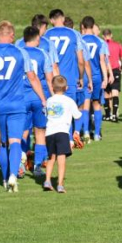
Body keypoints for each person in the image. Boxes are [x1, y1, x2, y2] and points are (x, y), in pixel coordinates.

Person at [0, 21, 46, 192]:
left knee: (0, 142)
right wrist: (43, 99)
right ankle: (14, 175)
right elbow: (32, 77)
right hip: (16, 104)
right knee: (15, 141)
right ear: (13, 36)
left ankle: (6, 177)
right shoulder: (21, 52)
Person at [44, 9, 89, 146]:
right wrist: (81, 77)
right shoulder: (74, 34)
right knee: (70, 109)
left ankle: (57, 139)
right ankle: (71, 137)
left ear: (51, 20)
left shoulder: (46, 35)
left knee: (54, 111)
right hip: (69, 78)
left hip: (52, 78)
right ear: (63, 19)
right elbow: (81, 60)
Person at [20, 26, 54, 176]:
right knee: (40, 132)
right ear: (37, 39)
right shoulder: (43, 54)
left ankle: (19, 165)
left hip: (21, 96)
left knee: (22, 132)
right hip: (39, 97)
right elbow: (49, 77)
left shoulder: (18, 52)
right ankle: (37, 166)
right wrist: (52, 97)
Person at [43, 76, 82, 193]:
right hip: (62, 132)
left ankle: (47, 181)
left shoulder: (49, 100)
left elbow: (45, 113)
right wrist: (77, 131)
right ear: (66, 88)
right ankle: (60, 184)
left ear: (52, 87)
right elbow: (78, 116)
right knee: (61, 159)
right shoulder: (69, 101)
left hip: (49, 132)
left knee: (51, 158)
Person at [80, 17, 108, 141]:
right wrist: (105, 78)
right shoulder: (100, 41)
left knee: (85, 104)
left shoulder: (79, 40)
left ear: (83, 26)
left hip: (85, 76)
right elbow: (102, 61)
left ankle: (85, 132)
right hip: (97, 76)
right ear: (93, 26)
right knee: (97, 105)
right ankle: (97, 134)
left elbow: (80, 60)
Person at [103, 28, 122, 121]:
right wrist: (121, 67)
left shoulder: (102, 45)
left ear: (103, 36)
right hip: (115, 69)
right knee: (115, 91)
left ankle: (107, 115)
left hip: (105, 70)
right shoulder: (118, 45)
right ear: (111, 35)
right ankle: (115, 114)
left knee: (106, 93)